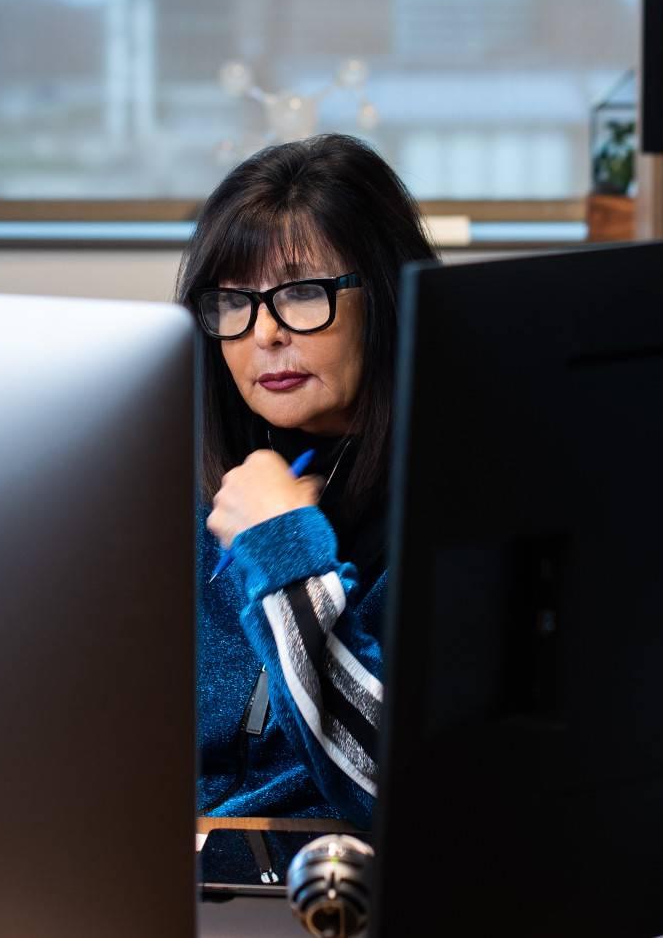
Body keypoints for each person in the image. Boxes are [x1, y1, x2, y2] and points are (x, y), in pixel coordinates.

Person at [180, 133, 437, 826]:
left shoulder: (462, 498)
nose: (263, 333)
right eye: (234, 300)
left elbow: (402, 791)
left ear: (382, 294)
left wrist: (282, 552)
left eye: (299, 292)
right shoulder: (189, 481)